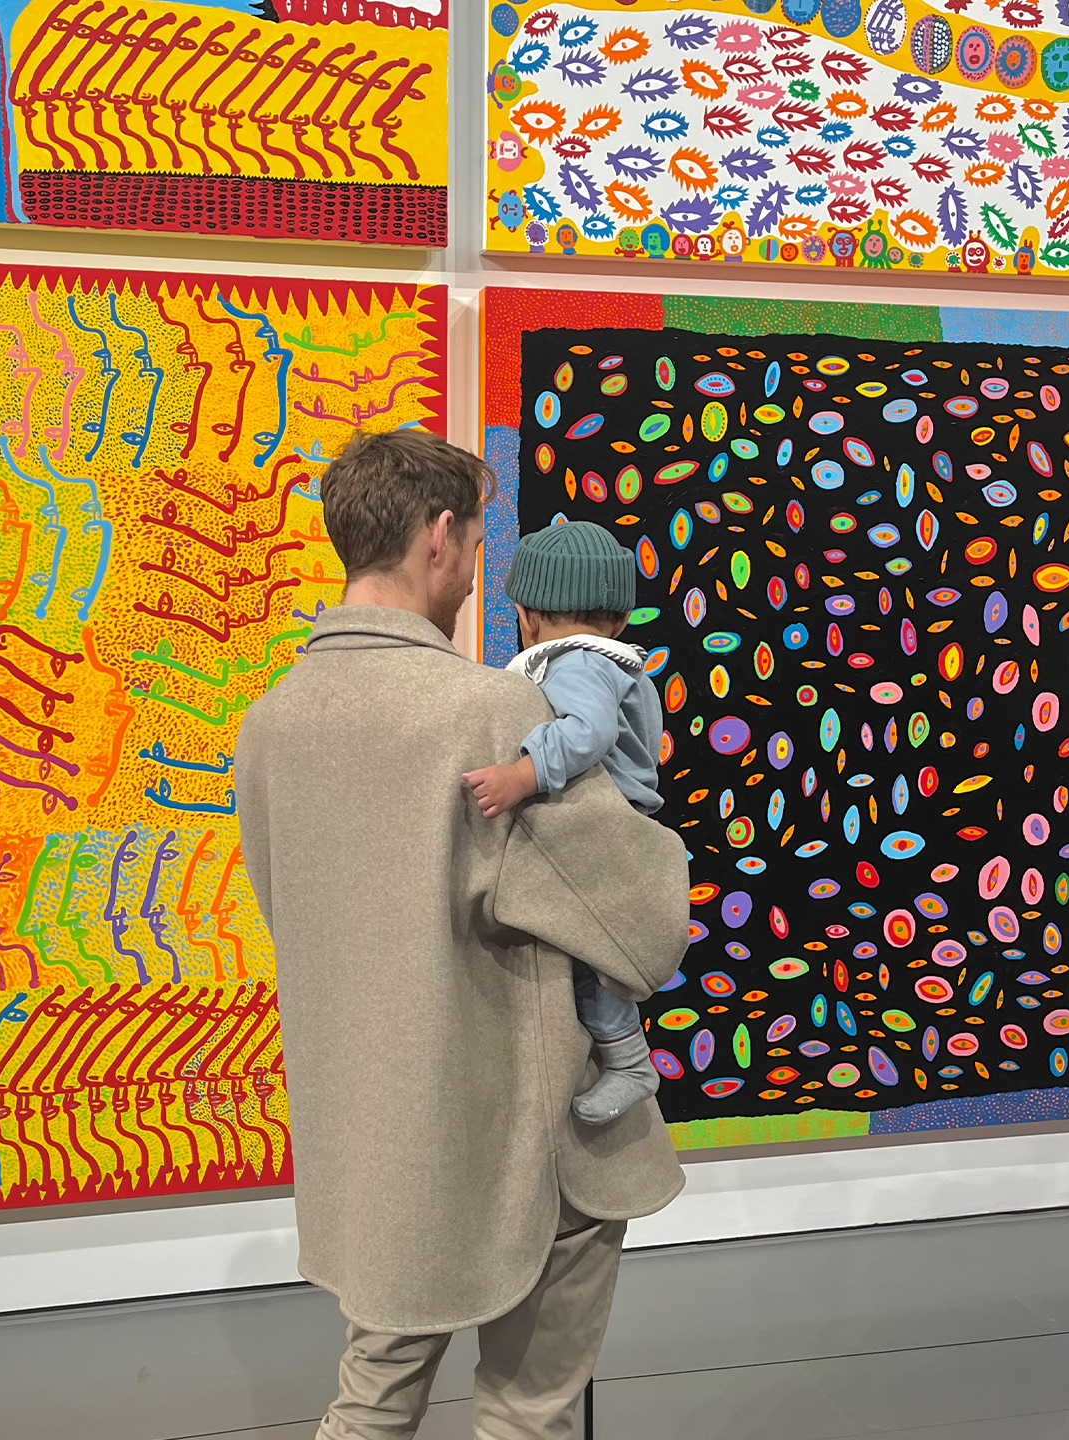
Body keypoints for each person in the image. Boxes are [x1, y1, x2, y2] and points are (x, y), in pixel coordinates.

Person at [234, 428, 689, 1440]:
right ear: (439, 535)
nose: (479, 572)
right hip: (523, 1136)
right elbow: (641, 924)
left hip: (382, 1142)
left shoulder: (271, 723)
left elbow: (297, 914)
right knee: (528, 1409)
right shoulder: (491, 709)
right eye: (478, 544)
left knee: (371, 1399)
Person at [463, 521, 663, 1126]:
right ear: (620, 620)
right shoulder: (615, 662)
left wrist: (522, 775)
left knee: (588, 951)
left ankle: (628, 1060)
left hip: (599, 830)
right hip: (614, 824)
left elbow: (588, 732)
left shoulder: (576, 663)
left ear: (527, 616)